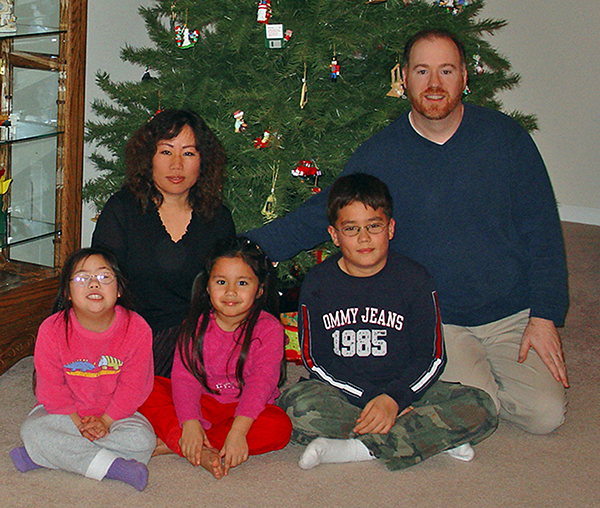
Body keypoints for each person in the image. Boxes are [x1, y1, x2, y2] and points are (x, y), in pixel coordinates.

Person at [247, 28, 569, 435]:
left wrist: (544, 316)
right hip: (440, 320)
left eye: (446, 71)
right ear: (404, 77)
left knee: (544, 416)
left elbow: (543, 231)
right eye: (422, 71)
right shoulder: (382, 154)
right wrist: (249, 246)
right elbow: (324, 211)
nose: (434, 85)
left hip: (512, 312)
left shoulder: (507, 140)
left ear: (465, 76)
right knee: (479, 407)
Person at [278, 173, 497, 471]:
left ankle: (356, 449)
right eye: (351, 229)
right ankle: (430, 437)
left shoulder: (416, 279)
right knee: (295, 407)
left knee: (481, 405)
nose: (364, 238)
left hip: (407, 392)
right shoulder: (318, 283)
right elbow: (316, 359)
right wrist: (372, 398)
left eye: (374, 226)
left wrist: (394, 399)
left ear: (390, 228)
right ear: (334, 235)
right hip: (347, 393)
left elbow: (431, 357)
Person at [92, 109, 236, 378]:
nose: (177, 165)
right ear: (149, 158)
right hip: (134, 334)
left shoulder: (218, 218)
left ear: (203, 161)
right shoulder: (121, 210)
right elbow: (101, 285)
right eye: (166, 151)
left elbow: (228, 290)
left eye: (189, 153)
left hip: (199, 334)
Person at [139, 237, 292, 479]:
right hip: (203, 403)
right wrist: (190, 422)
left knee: (279, 427)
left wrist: (238, 433)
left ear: (260, 289)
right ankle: (190, 440)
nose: (231, 291)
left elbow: (260, 385)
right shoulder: (194, 326)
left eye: (242, 283)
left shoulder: (269, 329)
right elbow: (184, 378)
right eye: (221, 282)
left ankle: (180, 445)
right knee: (146, 386)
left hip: (245, 411)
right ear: (208, 287)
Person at [10, 248, 155, 491]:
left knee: (143, 441)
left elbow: (134, 387)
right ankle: (115, 468)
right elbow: (51, 388)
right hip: (64, 416)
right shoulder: (51, 329)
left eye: (104, 277)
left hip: (116, 417)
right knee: (33, 431)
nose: (93, 284)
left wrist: (105, 422)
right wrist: (79, 424)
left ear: (119, 289)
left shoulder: (137, 328)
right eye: (81, 278)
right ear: (67, 292)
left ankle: (46, 456)